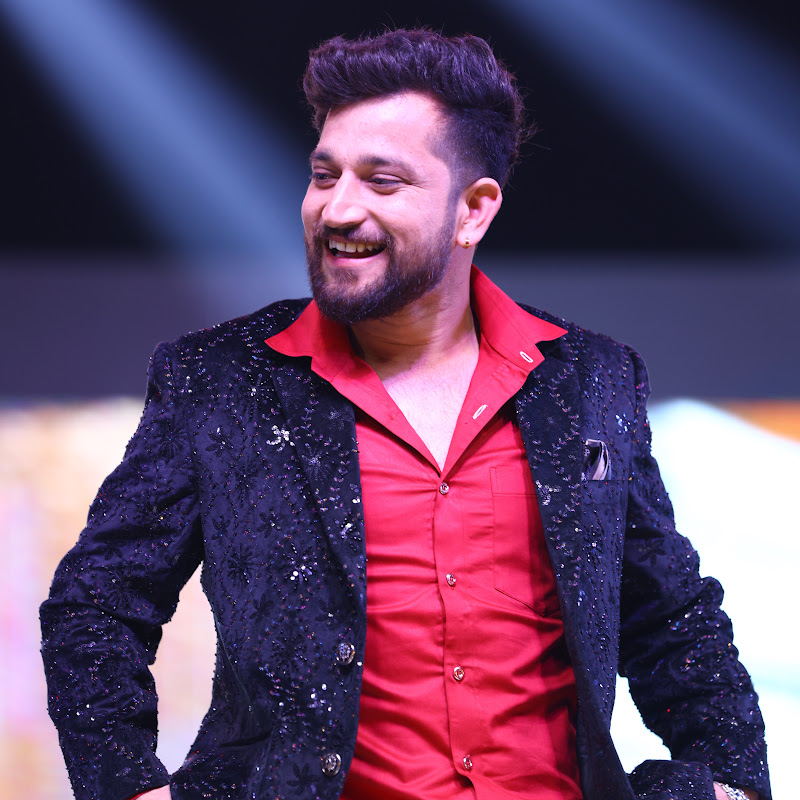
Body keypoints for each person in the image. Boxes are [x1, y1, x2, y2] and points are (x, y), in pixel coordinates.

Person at [41, 28, 770, 800]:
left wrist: (736, 785)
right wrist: (129, 786)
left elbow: (671, 618)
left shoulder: (589, 381)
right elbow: (96, 603)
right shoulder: (222, 381)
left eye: (381, 182)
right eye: (324, 175)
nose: (337, 209)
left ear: (473, 210)